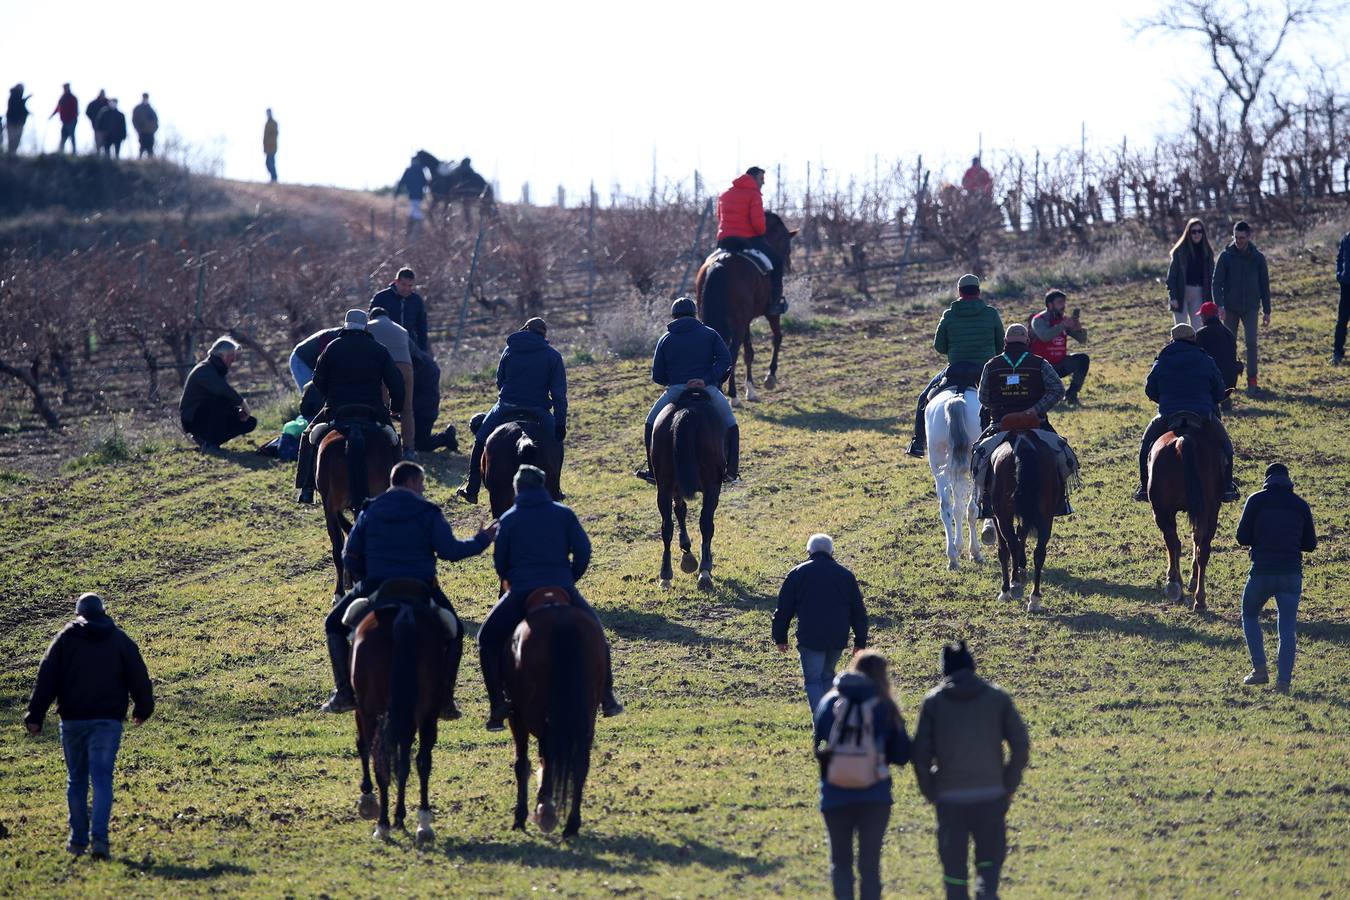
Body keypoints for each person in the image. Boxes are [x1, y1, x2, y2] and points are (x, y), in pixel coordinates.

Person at [321, 461, 495, 717]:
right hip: (421, 586)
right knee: (456, 632)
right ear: (411, 482)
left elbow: (350, 555)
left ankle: (345, 692)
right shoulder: (428, 511)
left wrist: (365, 577)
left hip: (376, 584)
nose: (423, 489)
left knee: (333, 625)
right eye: (421, 484)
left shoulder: (370, 510)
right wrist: (482, 539)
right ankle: (445, 698)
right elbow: (451, 551)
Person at [475, 465, 622, 731]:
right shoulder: (564, 514)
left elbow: (500, 562)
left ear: (517, 489)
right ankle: (607, 697)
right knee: (597, 633)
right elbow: (584, 550)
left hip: (522, 591)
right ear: (542, 486)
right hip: (561, 585)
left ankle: (497, 705)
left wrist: (511, 580)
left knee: (486, 639)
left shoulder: (508, 519)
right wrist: (570, 578)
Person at [24, 593, 154, 861]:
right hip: (107, 722)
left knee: (77, 779)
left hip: (73, 721)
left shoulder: (65, 639)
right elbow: (138, 675)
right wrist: (143, 708)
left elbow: (46, 677)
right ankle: (100, 841)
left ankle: (77, 840)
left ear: (78, 613)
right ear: (103, 612)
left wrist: (35, 715)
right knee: (102, 779)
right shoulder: (119, 639)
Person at [911, 641, 1029, 900]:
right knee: (988, 869)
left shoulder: (934, 702)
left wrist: (931, 791)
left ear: (945, 670)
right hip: (991, 796)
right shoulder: (997, 698)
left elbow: (920, 754)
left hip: (950, 799)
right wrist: (1007, 786)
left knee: (954, 874)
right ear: (972, 666)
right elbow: (1021, 746)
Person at [812, 651, 910, 900]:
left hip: (834, 794)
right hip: (874, 796)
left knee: (840, 863)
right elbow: (901, 754)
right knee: (870, 865)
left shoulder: (829, 702)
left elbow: (819, 745)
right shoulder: (884, 706)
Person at [294, 309, 405, 504]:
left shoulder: (332, 347)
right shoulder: (379, 349)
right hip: (373, 410)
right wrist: (395, 407)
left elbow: (317, 380)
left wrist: (329, 396)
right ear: (365, 327)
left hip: (336, 408)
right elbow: (396, 382)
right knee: (394, 441)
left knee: (308, 436)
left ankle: (307, 487)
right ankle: (400, 488)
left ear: (346, 325)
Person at [456, 318, 567, 505]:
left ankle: (472, 487)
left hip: (506, 406)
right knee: (557, 444)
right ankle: (555, 488)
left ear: (525, 330)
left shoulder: (509, 349)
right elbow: (558, 395)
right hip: (538, 409)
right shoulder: (553, 356)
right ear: (544, 334)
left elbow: (500, 380)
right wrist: (560, 423)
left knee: (480, 439)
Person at [633, 296, 738, 484]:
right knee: (731, 424)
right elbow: (725, 360)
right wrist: (705, 379)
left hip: (677, 390)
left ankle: (652, 471)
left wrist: (676, 381)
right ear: (694, 314)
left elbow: (657, 375)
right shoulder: (710, 334)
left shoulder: (665, 339)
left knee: (650, 423)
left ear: (674, 316)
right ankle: (731, 470)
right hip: (707, 388)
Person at [1133, 323, 1237, 502]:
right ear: (1193, 338)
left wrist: (1163, 401)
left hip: (1168, 414)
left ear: (1173, 340)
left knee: (1145, 447)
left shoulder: (1162, 360)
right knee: (1227, 448)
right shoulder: (1206, 359)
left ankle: (1144, 487)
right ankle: (1227, 487)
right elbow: (1219, 391)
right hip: (1202, 414)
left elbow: (1150, 389)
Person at [1236, 463, 1316, 694]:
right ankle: (1283, 683)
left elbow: (1242, 537)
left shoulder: (1256, 501)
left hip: (1261, 572)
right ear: (1288, 481)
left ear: (1267, 480)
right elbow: (1310, 544)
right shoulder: (1300, 505)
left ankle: (1260, 670)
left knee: (1249, 614)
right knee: (1287, 629)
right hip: (1291, 574)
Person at [910, 274, 1004, 458]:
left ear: (959, 292)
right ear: (978, 292)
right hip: (983, 370)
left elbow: (939, 347)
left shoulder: (949, 315)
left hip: (955, 370)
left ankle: (918, 443)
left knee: (923, 398)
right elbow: (1000, 345)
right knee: (1007, 397)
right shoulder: (991, 313)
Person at [773, 534, 868, 713]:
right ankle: (833, 718)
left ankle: (821, 720)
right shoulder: (846, 575)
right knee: (828, 676)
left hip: (810, 637)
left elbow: (784, 609)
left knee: (813, 680)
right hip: (837, 637)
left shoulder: (797, 573)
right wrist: (860, 641)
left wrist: (780, 637)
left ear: (808, 551)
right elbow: (858, 612)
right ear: (832, 552)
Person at [716, 166, 786, 314]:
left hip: (724, 240)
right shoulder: (754, 195)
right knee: (778, 262)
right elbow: (758, 225)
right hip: (748, 239)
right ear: (752, 178)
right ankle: (775, 303)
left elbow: (719, 218)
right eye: (761, 178)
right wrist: (761, 232)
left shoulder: (724, 194)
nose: (763, 182)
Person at [1212, 221, 1270, 395]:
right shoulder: (1225, 257)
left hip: (1251, 307)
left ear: (1249, 237)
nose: (1238, 241)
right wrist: (1219, 306)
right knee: (1229, 345)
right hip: (1230, 308)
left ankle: (1252, 381)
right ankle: (1230, 382)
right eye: (1236, 237)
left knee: (1251, 343)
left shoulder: (1258, 258)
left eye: (1242, 238)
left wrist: (1267, 310)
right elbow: (1216, 283)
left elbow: (1264, 285)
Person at [178, 337, 257, 449]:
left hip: (208, 414)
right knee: (220, 401)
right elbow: (224, 390)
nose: (234, 359)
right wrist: (243, 404)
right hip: (193, 418)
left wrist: (237, 412)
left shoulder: (217, 370)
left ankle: (212, 442)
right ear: (221, 355)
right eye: (231, 355)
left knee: (249, 422)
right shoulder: (204, 369)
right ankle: (204, 439)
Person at [366, 307, 417, 458]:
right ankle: (409, 449)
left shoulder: (368, 327)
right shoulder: (402, 329)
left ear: (371, 317)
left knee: (383, 408)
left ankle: (387, 446)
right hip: (406, 367)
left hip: (384, 366)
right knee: (407, 410)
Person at [1028, 289, 1089, 406]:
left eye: (1064, 302)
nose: (1063, 306)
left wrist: (1078, 329)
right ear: (1050, 305)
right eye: (1060, 302)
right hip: (1040, 370)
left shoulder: (1063, 320)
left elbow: (1082, 340)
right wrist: (1063, 325)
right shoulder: (1038, 320)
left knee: (1083, 359)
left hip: (1059, 365)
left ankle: (1071, 395)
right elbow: (1045, 336)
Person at [1166, 217, 1214, 329]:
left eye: (1199, 231)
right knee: (1180, 329)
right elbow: (1171, 277)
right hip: (1181, 293)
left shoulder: (1207, 252)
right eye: (1193, 232)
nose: (1197, 234)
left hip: (1199, 293)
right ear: (1188, 233)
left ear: (1203, 233)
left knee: (1198, 328)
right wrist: (1173, 297)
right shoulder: (1180, 251)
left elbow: (1212, 276)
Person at [370, 267, 430, 353]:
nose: (407, 289)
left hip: (409, 346)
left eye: (410, 286)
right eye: (403, 285)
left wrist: (423, 349)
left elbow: (422, 326)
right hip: (385, 345)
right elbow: (371, 322)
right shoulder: (381, 298)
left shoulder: (416, 300)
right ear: (396, 282)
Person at [1195, 301, 1241, 411]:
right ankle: (1224, 399)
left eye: (1201, 316)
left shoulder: (1201, 334)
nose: (1200, 318)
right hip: (1229, 381)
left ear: (1205, 316)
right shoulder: (1228, 333)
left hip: (1209, 380)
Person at [288, 325, 342, 393]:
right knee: (311, 394)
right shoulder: (335, 336)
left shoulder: (348, 336)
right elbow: (327, 359)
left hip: (311, 360)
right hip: (300, 359)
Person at [395, 157, 428, 234]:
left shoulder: (409, 170)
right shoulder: (420, 170)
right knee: (415, 210)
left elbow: (402, 182)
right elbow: (425, 182)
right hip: (419, 195)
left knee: (415, 211)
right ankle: (416, 229)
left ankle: (417, 228)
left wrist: (397, 193)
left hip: (412, 194)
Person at [1334, 227, 1350, 364]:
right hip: (1346, 284)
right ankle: (1337, 352)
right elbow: (1339, 258)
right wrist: (1339, 274)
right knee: (1342, 320)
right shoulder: (1347, 238)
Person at [49, 83, 79, 154]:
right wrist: (52, 115)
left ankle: (74, 152)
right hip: (64, 121)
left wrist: (73, 118)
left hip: (71, 121)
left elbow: (76, 111)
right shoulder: (62, 98)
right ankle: (61, 152)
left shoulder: (73, 98)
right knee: (63, 136)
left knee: (72, 136)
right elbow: (58, 108)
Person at [131, 93, 158, 159]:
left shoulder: (151, 109)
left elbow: (156, 121)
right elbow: (134, 120)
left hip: (150, 133)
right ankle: (139, 161)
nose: (145, 99)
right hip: (142, 132)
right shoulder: (138, 109)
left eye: (146, 98)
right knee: (142, 148)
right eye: (144, 98)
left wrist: (153, 130)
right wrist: (139, 129)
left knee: (150, 149)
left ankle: (151, 162)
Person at [6, 84, 31, 155]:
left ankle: (12, 153)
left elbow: (21, 106)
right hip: (14, 121)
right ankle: (11, 153)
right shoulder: (14, 97)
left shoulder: (16, 97)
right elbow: (18, 106)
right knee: (13, 138)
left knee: (15, 138)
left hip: (16, 121)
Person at [85, 90, 108, 154]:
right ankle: (98, 155)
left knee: (106, 143)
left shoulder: (107, 103)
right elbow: (87, 112)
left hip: (107, 128)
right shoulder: (93, 103)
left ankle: (106, 157)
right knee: (98, 142)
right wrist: (93, 119)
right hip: (97, 126)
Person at [263, 109, 278, 182]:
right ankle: (273, 178)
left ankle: (274, 178)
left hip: (272, 147)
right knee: (267, 163)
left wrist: (270, 143)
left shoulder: (274, 123)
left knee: (271, 163)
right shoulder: (267, 124)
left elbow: (275, 135)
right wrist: (264, 146)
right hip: (267, 148)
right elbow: (265, 136)